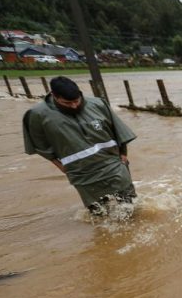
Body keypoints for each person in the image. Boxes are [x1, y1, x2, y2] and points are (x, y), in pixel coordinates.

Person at [22, 76, 137, 215]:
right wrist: (61, 167)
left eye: (77, 100)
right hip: (81, 174)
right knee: (98, 214)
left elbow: (119, 131)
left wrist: (123, 155)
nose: (74, 106)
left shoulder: (98, 104)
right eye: (67, 103)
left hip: (114, 165)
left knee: (130, 208)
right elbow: (40, 145)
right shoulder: (37, 115)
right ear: (54, 96)